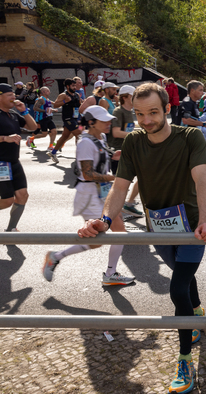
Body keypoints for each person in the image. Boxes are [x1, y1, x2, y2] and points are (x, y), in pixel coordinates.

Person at [77, 83, 206, 393]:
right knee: (184, 278)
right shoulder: (133, 143)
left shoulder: (190, 137)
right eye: (140, 114)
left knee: (177, 287)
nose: (146, 120)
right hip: (158, 228)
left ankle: (185, 361)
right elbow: (119, 186)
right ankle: (196, 312)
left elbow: (202, 179)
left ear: (167, 109)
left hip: (192, 228)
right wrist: (103, 219)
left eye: (153, 112)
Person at [42, 105, 135, 286]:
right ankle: (58, 258)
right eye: (104, 120)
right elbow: (87, 174)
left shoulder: (99, 137)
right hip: (90, 194)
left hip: (100, 193)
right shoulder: (85, 142)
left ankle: (108, 273)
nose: (109, 123)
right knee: (104, 238)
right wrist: (115, 178)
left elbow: (100, 158)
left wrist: (114, 155)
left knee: (113, 234)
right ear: (91, 122)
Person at [0, 83, 37, 232]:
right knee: (8, 200)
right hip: (1, 163)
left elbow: (33, 127)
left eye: (13, 95)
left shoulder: (14, 115)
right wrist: (4, 138)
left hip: (14, 162)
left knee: (22, 195)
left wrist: (24, 111)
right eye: (9, 95)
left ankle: (11, 230)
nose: (13, 97)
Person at [106, 84, 144, 218]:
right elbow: (116, 133)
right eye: (134, 96)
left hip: (128, 151)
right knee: (121, 185)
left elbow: (127, 131)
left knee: (143, 176)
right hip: (117, 153)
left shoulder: (130, 112)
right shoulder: (118, 112)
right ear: (126, 97)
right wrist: (138, 135)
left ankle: (129, 203)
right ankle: (117, 210)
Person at [47, 78, 82, 163]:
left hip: (75, 118)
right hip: (68, 118)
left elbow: (80, 105)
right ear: (67, 86)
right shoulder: (63, 95)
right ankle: (80, 155)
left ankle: (53, 152)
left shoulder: (76, 94)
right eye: (73, 86)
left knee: (65, 136)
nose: (75, 87)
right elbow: (55, 105)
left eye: (75, 85)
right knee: (79, 134)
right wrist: (64, 101)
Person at [28, 86, 58, 151]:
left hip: (49, 118)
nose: (49, 92)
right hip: (43, 119)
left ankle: (50, 146)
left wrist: (53, 110)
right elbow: (35, 108)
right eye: (47, 91)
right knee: (44, 134)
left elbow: (49, 107)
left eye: (49, 90)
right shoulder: (41, 99)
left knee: (54, 131)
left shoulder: (48, 99)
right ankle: (31, 138)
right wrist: (45, 111)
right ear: (43, 92)